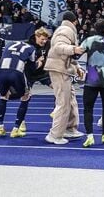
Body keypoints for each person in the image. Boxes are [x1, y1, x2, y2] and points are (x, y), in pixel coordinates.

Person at [0, 30, 47, 138]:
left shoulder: (9, 44)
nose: (44, 41)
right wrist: (40, 62)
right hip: (16, 73)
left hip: (1, 72)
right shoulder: (31, 48)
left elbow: (0, 57)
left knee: (3, 96)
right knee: (26, 96)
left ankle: (0, 127)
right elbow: (32, 68)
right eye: (43, 39)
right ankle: (16, 129)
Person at [44, 11, 86, 145]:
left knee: (70, 98)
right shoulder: (66, 30)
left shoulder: (65, 29)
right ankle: (55, 135)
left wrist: (77, 67)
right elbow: (59, 47)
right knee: (63, 102)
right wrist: (74, 49)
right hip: (59, 69)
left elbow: (67, 55)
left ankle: (69, 128)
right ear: (75, 21)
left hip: (62, 68)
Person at [81, 19, 104, 148]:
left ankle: (90, 136)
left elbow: (76, 53)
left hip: (91, 79)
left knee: (88, 109)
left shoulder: (89, 40)